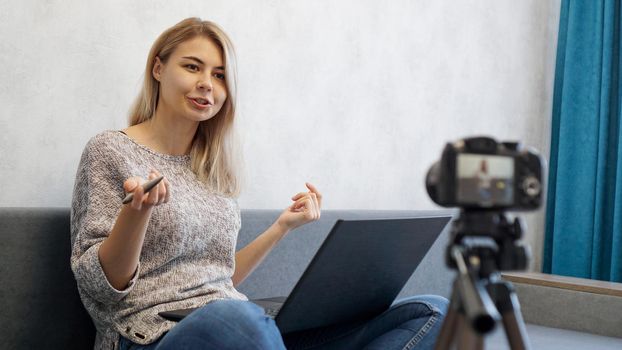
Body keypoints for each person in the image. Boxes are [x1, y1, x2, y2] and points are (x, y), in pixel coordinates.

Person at [70, 17, 447, 350]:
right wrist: (137, 213)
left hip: (237, 329)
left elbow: (217, 277)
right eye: (192, 67)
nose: (206, 85)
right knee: (236, 317)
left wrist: (282, 227)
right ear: (158, 69)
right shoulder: (111, 150)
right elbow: (102, 288)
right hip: (147, 335)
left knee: (433, 311)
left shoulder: (211, 168)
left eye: (219, 75)